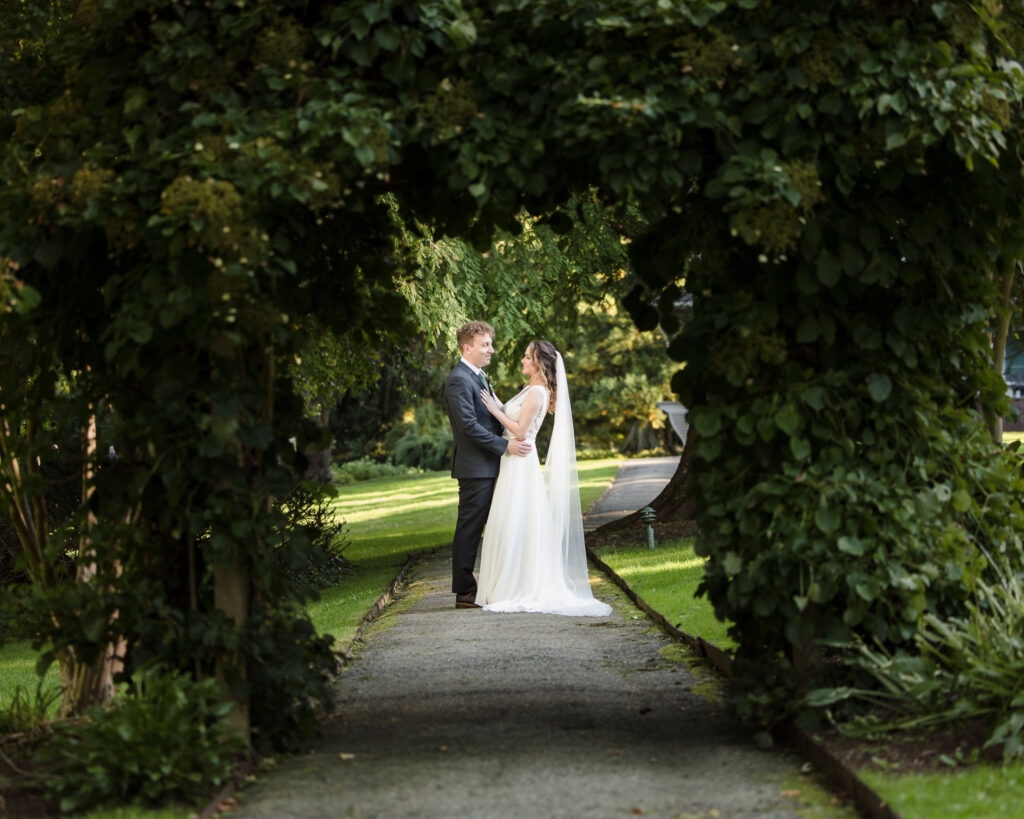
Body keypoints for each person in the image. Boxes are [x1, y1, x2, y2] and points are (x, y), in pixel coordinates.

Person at [476, 340, 612, 617]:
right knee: (510, 519)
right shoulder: (530, 388)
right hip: (511, 461)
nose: (523, 361)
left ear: (539, 362)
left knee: (516, 518)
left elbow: (520, 431)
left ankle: (516, 586)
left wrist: (493, 410)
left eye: (527, 357)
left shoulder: (538, 392)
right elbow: (511, 413)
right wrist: (495, 400)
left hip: (519, 462)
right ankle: (504, 582)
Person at [443, 321, 533, 609]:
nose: (491, 349)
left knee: (497, 525)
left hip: (492, 464)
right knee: (470, 528)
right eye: (485, 344)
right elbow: (468, 426)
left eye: (491, 344)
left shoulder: (479, 376)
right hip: (475, 468)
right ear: (467, 347)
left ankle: (499, 584)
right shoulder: (459, 379)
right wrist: (505, 445)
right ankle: (465, 592)